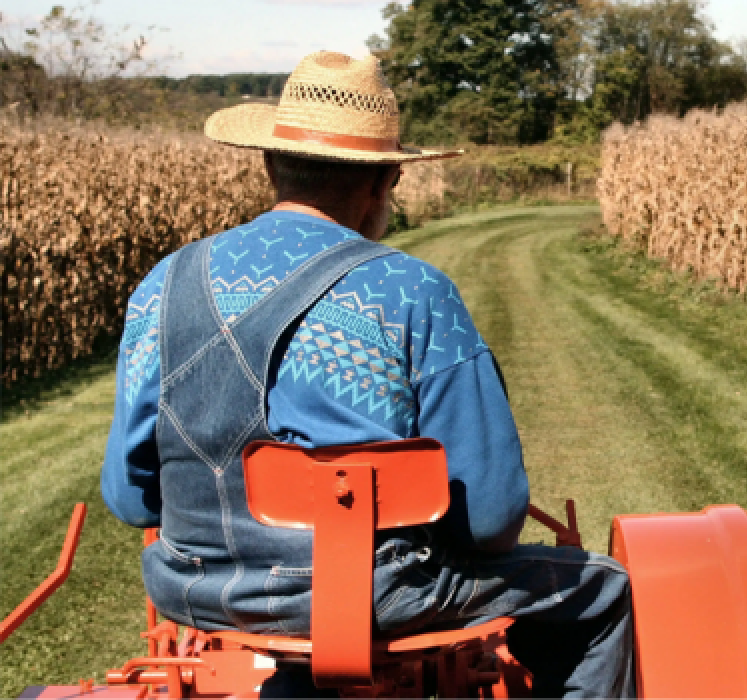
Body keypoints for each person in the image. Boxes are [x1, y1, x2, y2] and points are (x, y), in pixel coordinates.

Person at [99, 51, 633, 698]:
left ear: (271, 163)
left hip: (196, 590)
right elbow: (492, 519)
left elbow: (130, 501)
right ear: (385, 183)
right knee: (605, 593)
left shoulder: (163, 285)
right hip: (375, 599)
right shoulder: (411, 293)